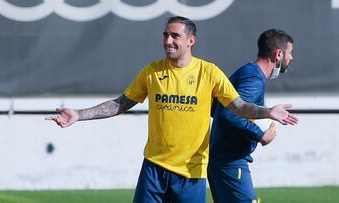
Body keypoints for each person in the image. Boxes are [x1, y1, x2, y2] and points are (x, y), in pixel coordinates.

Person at [46, 17, 298, 203]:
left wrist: (267, 112)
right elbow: (121, 103)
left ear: (191, 41)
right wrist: (79, 115)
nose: (168, 41)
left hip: (191, 173)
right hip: (153, 169)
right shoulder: (152, 71)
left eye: (175, 36)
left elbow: (238, 106)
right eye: (166, 35)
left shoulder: (209, 72)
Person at [208, 29, 295, 203]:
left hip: (222, 161)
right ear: (278, 54)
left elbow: (215, 108)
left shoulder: (247, 72)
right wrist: (261, 135)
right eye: (290, 53)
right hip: (230, 161)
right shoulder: (254, 78)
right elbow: (229, 115)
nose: (291, 58)